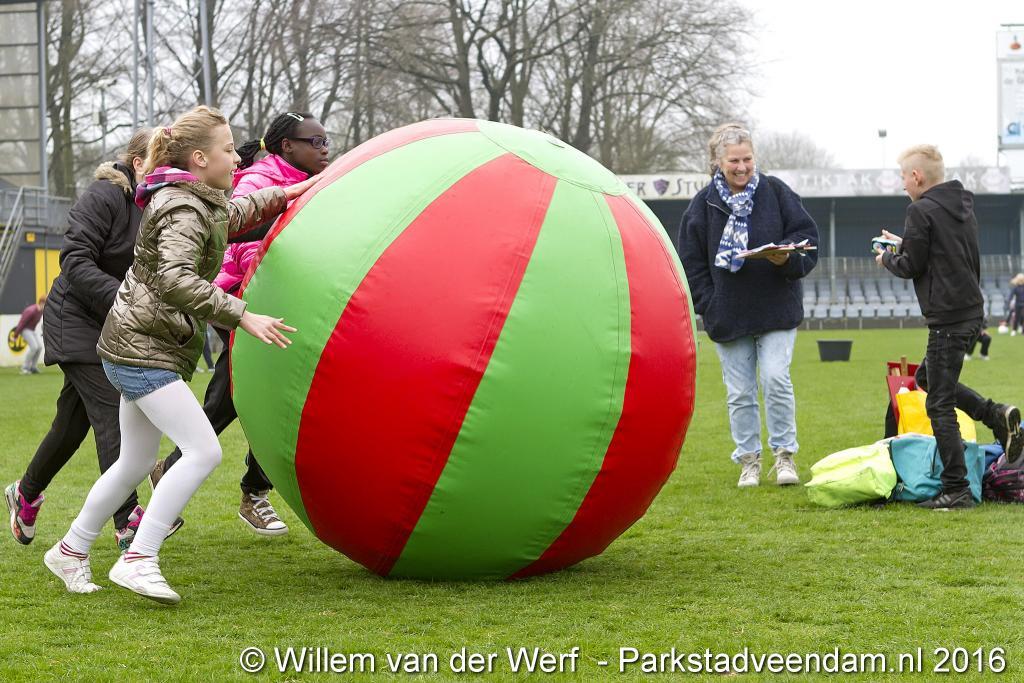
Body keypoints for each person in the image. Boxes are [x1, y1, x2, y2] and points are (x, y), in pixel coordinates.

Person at [42, 106, 319, 604]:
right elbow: (175, 279)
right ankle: (139, 558)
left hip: (136, 345)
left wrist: (286, 194)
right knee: (203, 451)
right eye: (229, 150)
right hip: (142, 350)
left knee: (134, 461)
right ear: (199, 159)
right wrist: (242, 314)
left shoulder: (196, 199)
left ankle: (70, 549)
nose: (238, 159)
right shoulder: (183, 208)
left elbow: (232, 217)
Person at [150, 111, 330, 536]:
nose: (325, 149)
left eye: (327, 141)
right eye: (316, 142)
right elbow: (239, 241)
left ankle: (182, 472)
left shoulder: (310, 181)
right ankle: (250, 492)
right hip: (240, 297)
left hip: (279, 302)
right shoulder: (257, 179)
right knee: (253, 392)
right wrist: (261, 295)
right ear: (288, 145)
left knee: (242, 391)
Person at [5, 130, 169, 551]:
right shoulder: (105, 195)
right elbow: (75, 261)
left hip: (110, 321)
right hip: (73, 319)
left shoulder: (157, 203)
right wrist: (126, 298)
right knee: (112, 412)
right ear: (138, 163)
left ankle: (25, 493)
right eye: (163, 163)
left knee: (71, 423)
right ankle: (127, 519)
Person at [876, 144, 1022, 510]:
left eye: (903, 176)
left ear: (917, 176)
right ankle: (996, 415)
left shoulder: (919, 210)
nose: (902, 184)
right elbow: (939, 251)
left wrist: (887, 258)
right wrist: (904, 243)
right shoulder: (961, 206)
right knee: (927, 379)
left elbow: (911, 265)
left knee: (938, 404)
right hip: (971, 312)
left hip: (948, 318)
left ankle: (956, 488)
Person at [678, 123, 818, 488]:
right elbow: (690, 262)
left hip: (776, 308)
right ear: (717, 162)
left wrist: (785, 258)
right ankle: (749, 460)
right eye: (734, 161)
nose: (742, 167)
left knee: (775, 379)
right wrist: (710, 303)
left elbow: (807, 238)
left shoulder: (776, 192)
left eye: (747, 159)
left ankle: (785, 456)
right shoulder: (702, 205)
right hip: (728, 315)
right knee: (740, 393)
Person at [14, 297, 46, 374]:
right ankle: (25, 368)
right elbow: (22, 323)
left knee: (39, 347)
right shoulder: (31, 311)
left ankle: (33, 367)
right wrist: (16, 335)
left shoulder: (41, 311)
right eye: (46, 304)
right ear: (42, 303)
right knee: (34, 347)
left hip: (32, 330)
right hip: (25, 330)